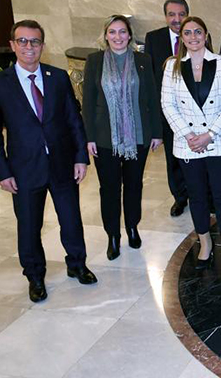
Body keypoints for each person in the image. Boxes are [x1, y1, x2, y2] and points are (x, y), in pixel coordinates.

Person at [0, 20, 98, 302]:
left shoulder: (57, 77)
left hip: (62, 164)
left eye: (34, 41)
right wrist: (2, 172)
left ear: (42, 46)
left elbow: (73, 119)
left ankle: (77, 264)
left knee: (71, 219)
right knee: (29, 226)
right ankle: (35, 276)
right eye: (22, 41)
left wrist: (80, 157)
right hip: (24, 169)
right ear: (12, 45)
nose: (29, 47)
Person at [82, 15, 163, 260]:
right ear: (105, 36)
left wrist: (157, 132)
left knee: (134, 185)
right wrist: (89, 137)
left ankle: (132, 227)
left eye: (122, 32)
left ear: (129, 36)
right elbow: (88, 101)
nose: (118, 37)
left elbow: (152, 97)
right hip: (105, 138)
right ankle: (113, 236)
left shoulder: (142, 60)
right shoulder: (95, 61)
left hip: (137, 136)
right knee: (109, 188)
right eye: (112, 32)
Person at [162, 16, 221, 273]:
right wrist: (188, 135)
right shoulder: (172, 65)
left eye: (198, 32)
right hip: (188, 144)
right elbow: (167, 104)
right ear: (182, 38)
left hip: (217, 140)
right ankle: (204, 244)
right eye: (188, 33)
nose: (193, 37)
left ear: (206, 35)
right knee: (196, 196)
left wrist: (210, 134)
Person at [144, 0, 190, 217]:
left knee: (197, 156)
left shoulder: (196, 33)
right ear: (165, 17)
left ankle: (202, 195)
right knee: (173, 158)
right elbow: (150, 77)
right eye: (172, 14)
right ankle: (180, 198)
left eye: (181, 14)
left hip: (193, 110)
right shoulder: (154, 38)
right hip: (167, 111)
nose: (177, 19)